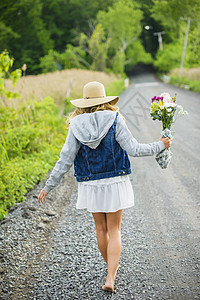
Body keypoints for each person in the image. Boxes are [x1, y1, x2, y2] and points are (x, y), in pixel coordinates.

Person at [38, 81, 172, 292]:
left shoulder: (75, 124)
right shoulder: (115, 118)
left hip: (90, 184)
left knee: (101, 229)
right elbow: (134, 149)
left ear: (83, 103)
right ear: (105, 100)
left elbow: (65, 159)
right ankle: (111, 276)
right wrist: (160, 145)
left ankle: (110, 269)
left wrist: (49, 185)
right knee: (115, 228)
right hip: (115, 181)